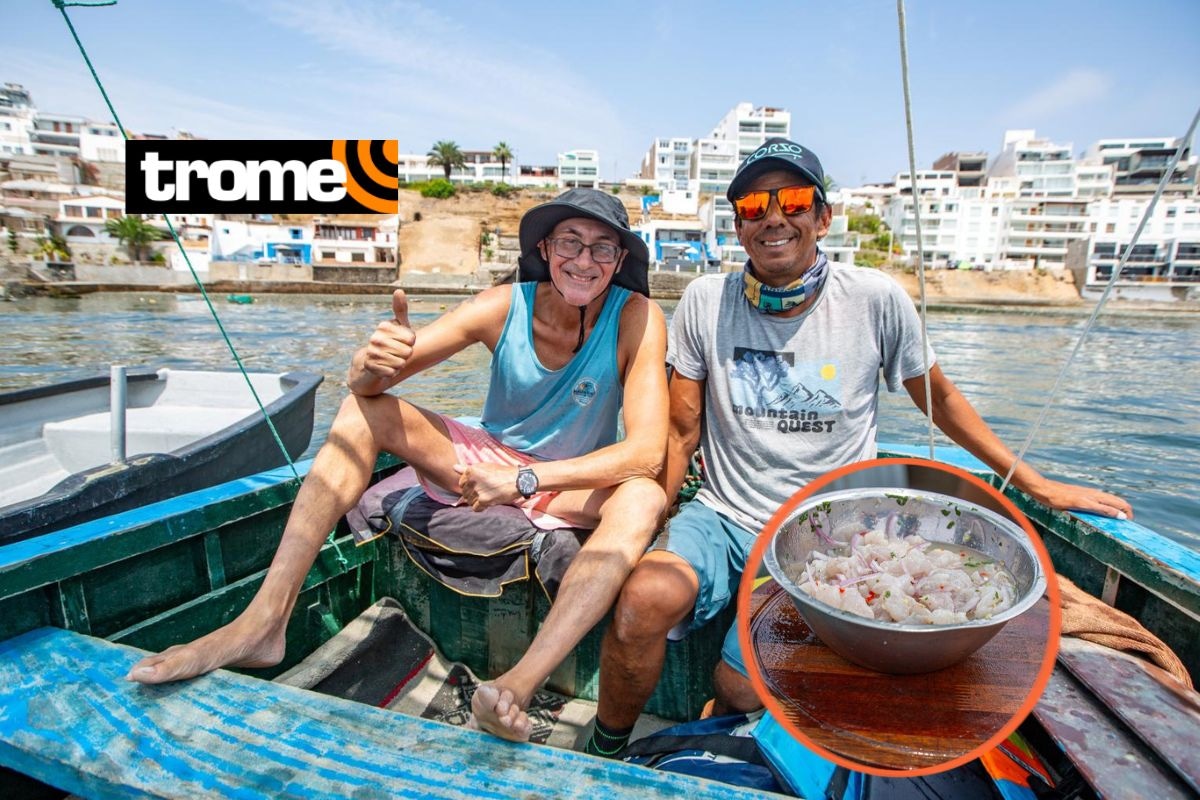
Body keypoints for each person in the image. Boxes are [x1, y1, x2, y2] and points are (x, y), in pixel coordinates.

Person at [584, 138, 1134, 758]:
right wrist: (654, 519)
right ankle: (606, 751)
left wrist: (1033, 482)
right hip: (723, 513)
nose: (773, 217)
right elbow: (681, 430)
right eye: (753, 206)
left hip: (822, 533)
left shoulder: (874, 299)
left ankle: (717, 729)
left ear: (823, 218)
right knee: (642, 601)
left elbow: (939, 398)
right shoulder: (705, 301)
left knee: (739, 688)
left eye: (793, 201)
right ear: (738, 226)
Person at [127, 188, 670, 743]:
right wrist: (368, 363)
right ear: (545, 249)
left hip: (563, 479)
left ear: (619, 262)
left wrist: (521, 481)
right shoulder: (503, 305)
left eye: (602, 248)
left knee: (644, 497)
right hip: (485, 459)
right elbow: (372, 384)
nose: (584, 261)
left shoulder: (638, 317)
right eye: (570, 243)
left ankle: (515, 687)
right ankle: (264, 622)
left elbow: (647, 451)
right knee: (360, 412)